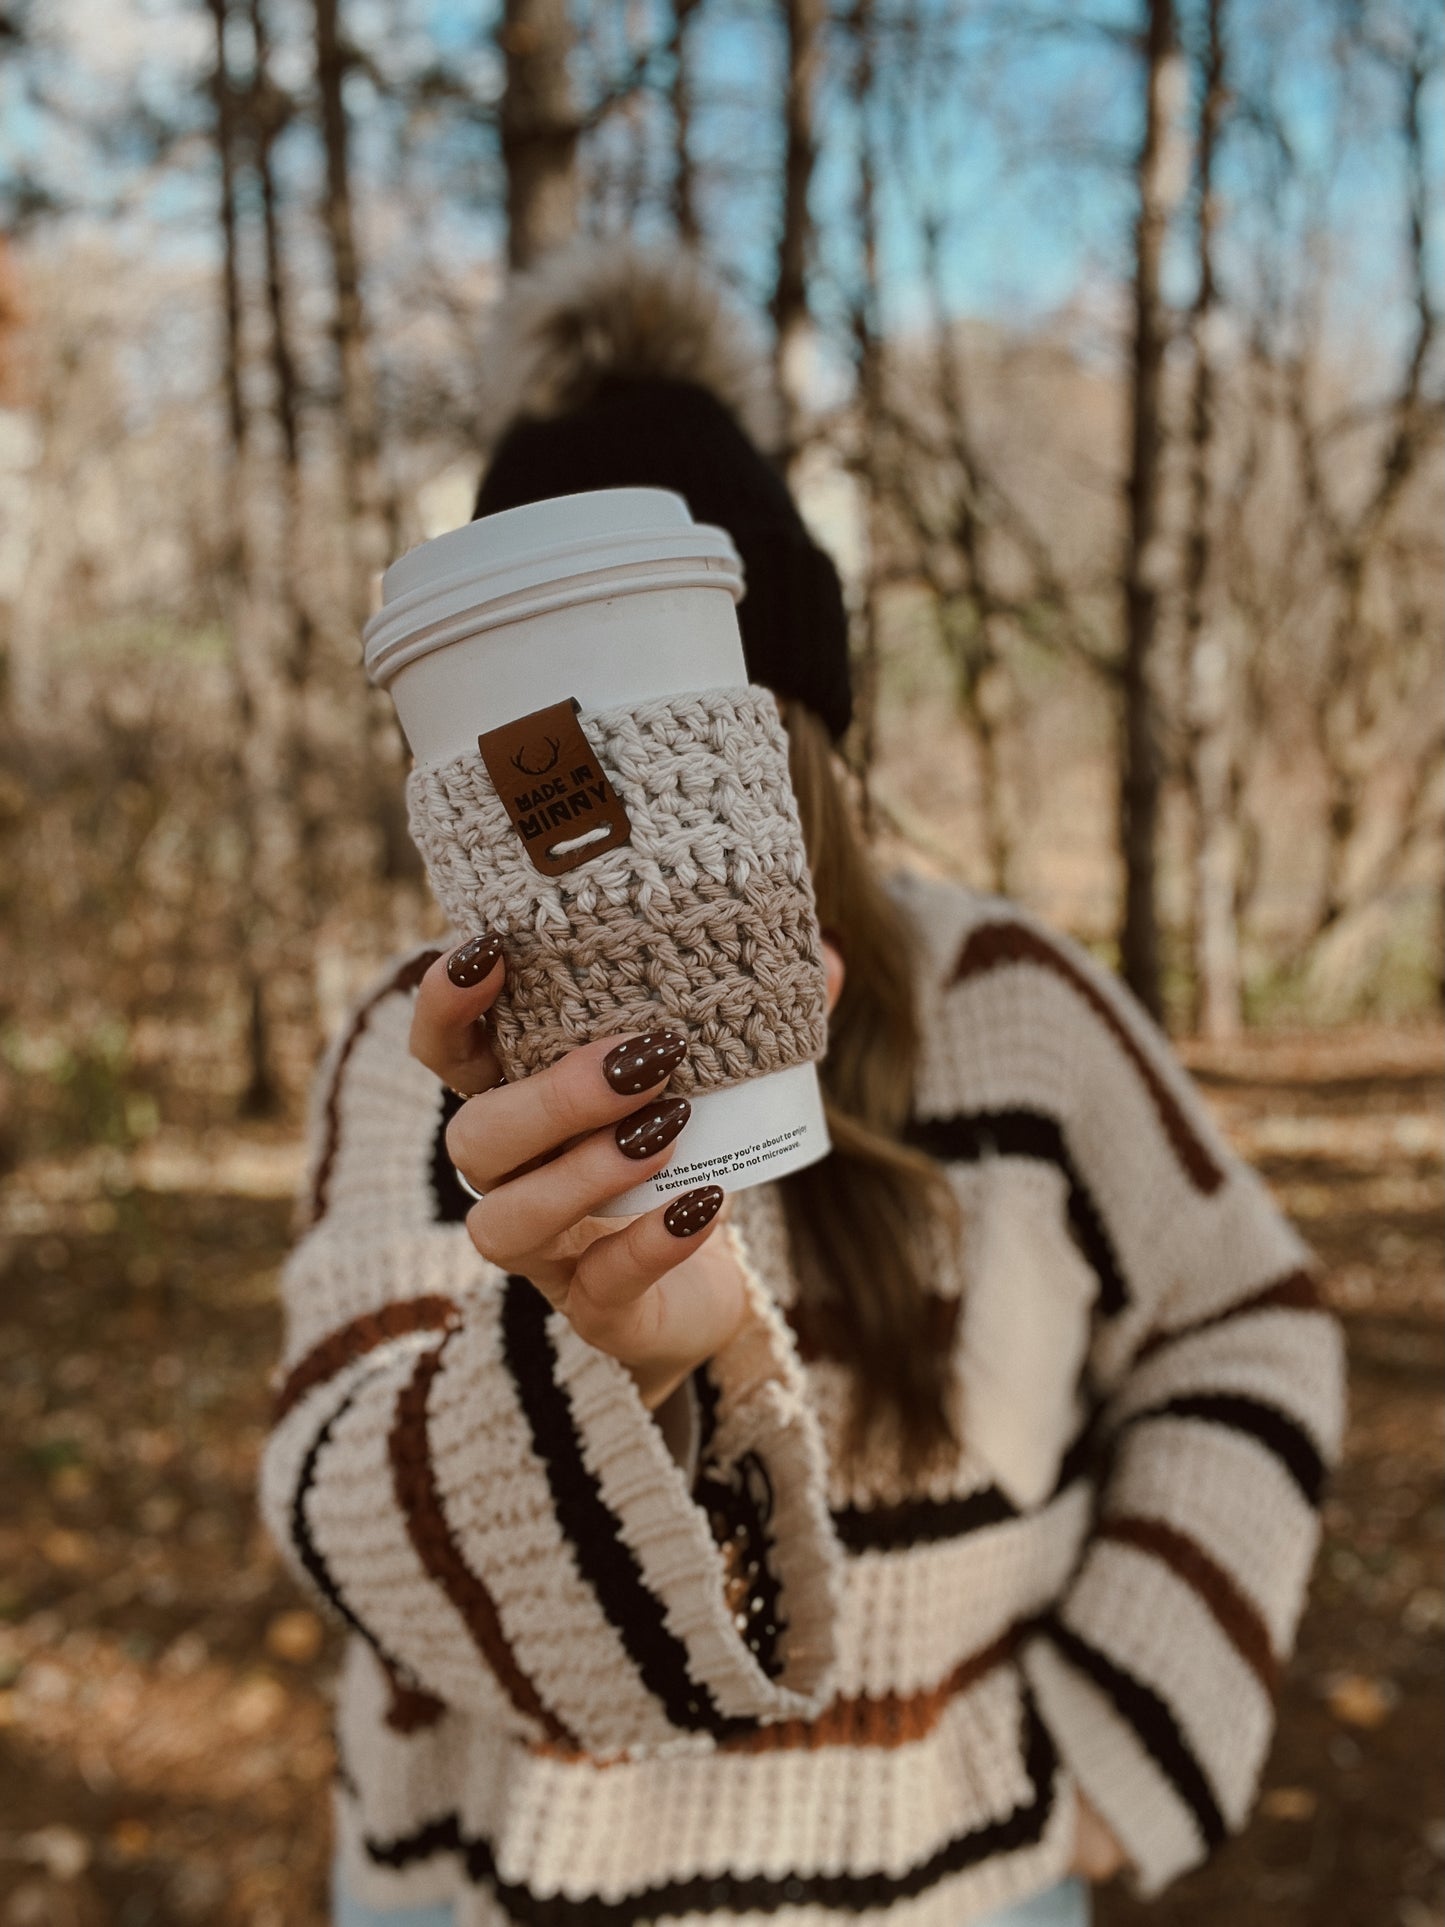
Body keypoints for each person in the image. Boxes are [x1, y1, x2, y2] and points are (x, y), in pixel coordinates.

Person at [259, 244, 1345, 1927]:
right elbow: (345, 1510)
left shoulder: (1013, 1011)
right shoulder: (423, 1068)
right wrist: (596, 1358)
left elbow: (1245, 1319)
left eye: (695, 732)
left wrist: (1117, 1746)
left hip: (961, 1890)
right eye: (547, 758)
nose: (614, 822)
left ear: (798, 733)